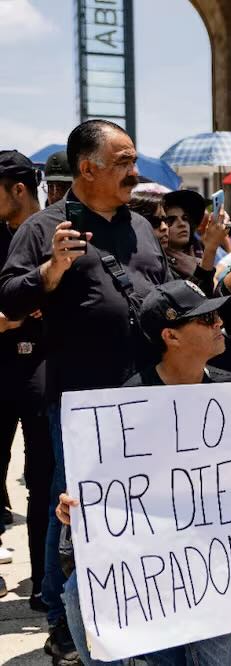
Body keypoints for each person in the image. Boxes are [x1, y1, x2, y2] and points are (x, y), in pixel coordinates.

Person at [0, 119, 168, 664]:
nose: (134, 173)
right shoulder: (44, 227)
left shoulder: (142, 226)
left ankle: (127, 603)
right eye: (123, 162)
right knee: (74, 510)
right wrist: (51, 270)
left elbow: (161, 287)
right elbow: (10, 296)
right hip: (80, 400)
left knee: (138, 505)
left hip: (147, 393)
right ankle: (63, 623)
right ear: (87, 167)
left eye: (134, 160)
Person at [53, 280, 231, 665]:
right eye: (206, 318)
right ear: (171, 336)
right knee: (78, 592)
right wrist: (75, 508)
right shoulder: (125, 407)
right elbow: (99, 488)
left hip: (214, 559)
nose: (220, 322)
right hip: (150, 561)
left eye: (217, 314)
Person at [0, 150, 53, 611]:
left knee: (43, 479)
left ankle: (43, 582)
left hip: (43, 372)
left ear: (18, 188)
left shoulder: (55, 233)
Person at [163, 189, 228, 295]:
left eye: (185, 218)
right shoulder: (159, 265)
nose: (182, 224)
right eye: (170, 220)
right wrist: (211, 249)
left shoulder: (199, 252)